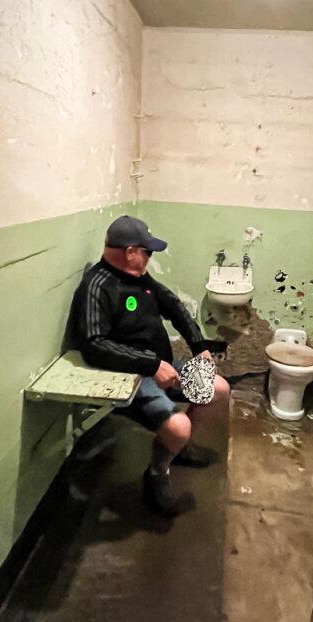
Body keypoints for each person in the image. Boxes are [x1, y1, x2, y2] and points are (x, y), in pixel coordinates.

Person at [70, 215, 230, 515]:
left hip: (160, 366)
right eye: (147, 251)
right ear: (131, 252)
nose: (149, 257)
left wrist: (200, 348)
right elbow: (94, 345)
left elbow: (174, 307)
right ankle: (157, 474)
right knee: (178, 425)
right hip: (127, 376)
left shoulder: (140, 279)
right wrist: (152, 364)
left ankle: (175, 447)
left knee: (218, 388)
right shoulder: (97, 286)